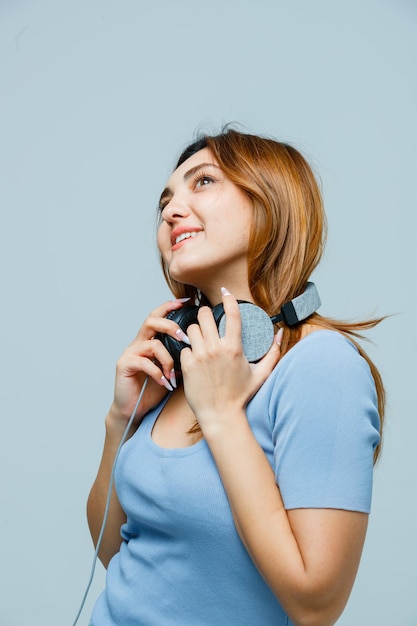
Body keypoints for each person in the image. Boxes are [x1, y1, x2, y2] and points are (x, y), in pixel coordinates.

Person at [87, 128, 384, 626]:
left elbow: (316, 605)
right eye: (165, 200)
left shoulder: (321, 366)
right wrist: (120, 422)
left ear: (270, 200)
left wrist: (223, 418)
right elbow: (114, 550)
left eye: (202, 182)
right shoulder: (184, 363)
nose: (170, 210)